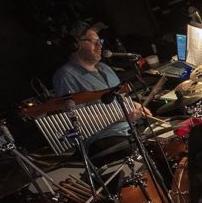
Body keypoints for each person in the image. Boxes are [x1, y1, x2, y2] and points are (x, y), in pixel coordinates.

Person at [52, 20, 148, 156]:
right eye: (92, 41)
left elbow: (120, 99)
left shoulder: (105, 68)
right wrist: (121, 115)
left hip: (129, 127)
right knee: (143, 151)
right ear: (75, 45)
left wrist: (134, 104)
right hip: (104, 138)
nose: (100, 45)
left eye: (99, 41)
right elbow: (75, 120)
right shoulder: (65, 76)